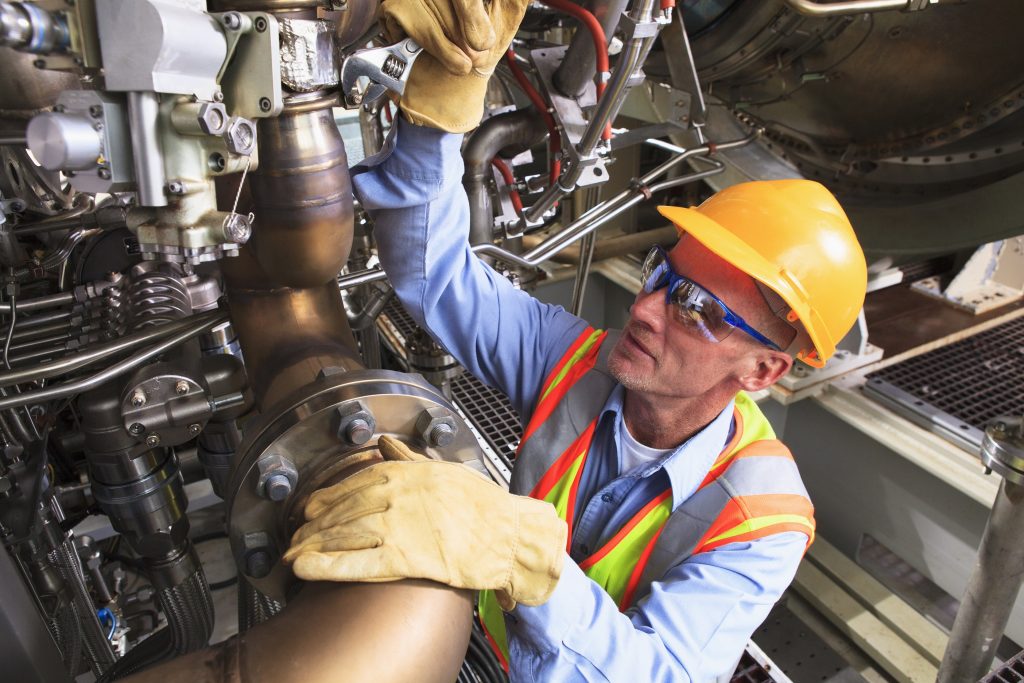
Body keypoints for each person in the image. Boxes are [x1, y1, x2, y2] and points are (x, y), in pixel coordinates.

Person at [283, 0, 868, 680]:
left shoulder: (762, 518)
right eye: (663, 275)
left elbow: (657, 673)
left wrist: (520, 557)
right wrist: (440, 112)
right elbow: (436, 276)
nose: (646, 310)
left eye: (696, 308)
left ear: (763, 370)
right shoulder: (580, 362)